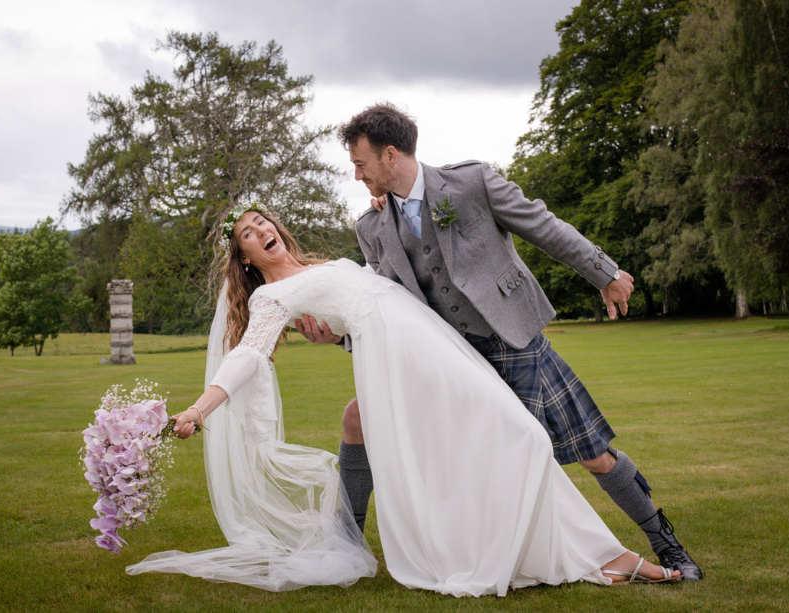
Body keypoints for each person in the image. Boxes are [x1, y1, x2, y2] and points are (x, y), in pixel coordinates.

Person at [125, 206, 680, 596]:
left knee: (511, 434)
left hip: (428, 338)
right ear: (243, 255)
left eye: (263, 221)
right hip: (400, 355)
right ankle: (602, 558)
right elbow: (246, 357)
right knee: (516, 434)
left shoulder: (319, 266)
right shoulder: (271, 296)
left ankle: (584, 554)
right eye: (248, 232)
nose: (262, 229)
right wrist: (199, 409)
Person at [295, 103, 702, 581]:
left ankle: (665, 544)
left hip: (511, 338)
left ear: (389, 155)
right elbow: (384, 306)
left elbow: (543, 227)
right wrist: (340, 337)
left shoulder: (472, 184)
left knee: (589, 450)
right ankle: (347, 544)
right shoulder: (371, 228)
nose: (357, 175)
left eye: (360, 164)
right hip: (446, 358)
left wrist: (605, 273)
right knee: (366, 419)